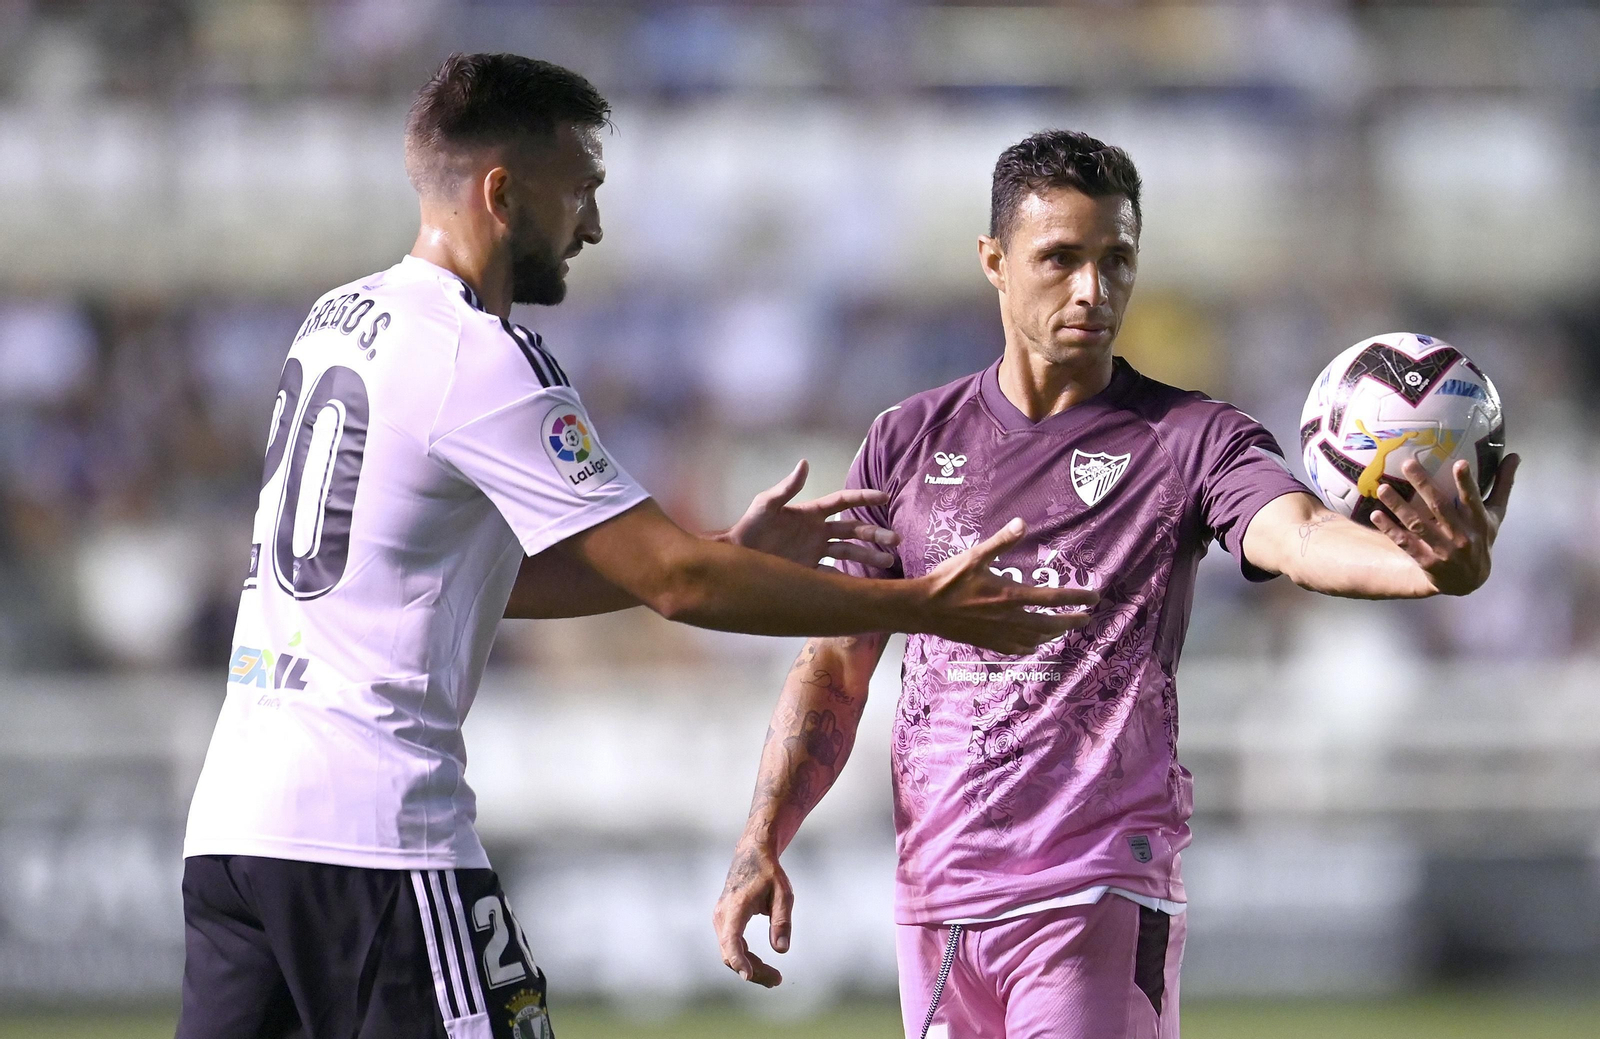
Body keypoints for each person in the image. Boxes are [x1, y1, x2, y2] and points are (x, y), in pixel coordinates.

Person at [176, 56, 1100, 1039]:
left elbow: (454, 581)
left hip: (235, 828)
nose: (592, 227)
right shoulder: (480, 354)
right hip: (374, 838)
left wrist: (713, 546)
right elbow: (675, 583)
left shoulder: (335, 320)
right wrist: (914, 607)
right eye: (581, 191)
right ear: (503, 192)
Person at [713, 129, 1519, 1039]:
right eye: (1060, 258)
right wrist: (760, 838)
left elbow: (1296, 534)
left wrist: (1421, 567)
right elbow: (837, 663)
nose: (1093, 291)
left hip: (1094, 886)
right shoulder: (906, 440)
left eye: (1117, 260)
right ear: (994, 261)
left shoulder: (1189, 438)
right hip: (937, 905)